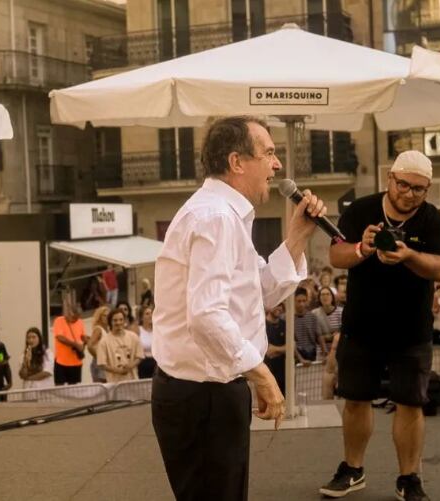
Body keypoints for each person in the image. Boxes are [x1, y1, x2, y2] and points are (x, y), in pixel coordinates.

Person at [151, 115, 325, 501]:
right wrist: (261, 374)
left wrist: (297, 236)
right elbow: (207, 315)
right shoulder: (215, 218)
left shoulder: (221, 214)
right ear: (236, 162)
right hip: (204, 396)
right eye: (269, 153)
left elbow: (253, 294)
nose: (277, 165)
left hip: (208, 391)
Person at [320, 150, 440, 501]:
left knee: (410, 404)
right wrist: (362, 248)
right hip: (361, 326)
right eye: (403, 185)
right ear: (389, 179)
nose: (409, 194)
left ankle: (408, 478)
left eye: (418, 189)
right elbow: (335, 256)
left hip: (411, 331)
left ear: (428, 189)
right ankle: (352, 469)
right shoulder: (360, 210)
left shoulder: (433, 220)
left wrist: (408, 256)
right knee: (355, 400)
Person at [96, 308, 144, 382]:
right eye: (115, 320)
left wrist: (130, 366)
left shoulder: (133, 336)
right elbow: (102, 364)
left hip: (133, 381)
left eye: (121, 319)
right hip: (114, 384)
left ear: (124, 321)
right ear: (110, 322)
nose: (118, 323)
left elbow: (140, 356)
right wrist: (118, 370)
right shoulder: (104, 342)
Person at [53, 302, 86, 386]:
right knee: (59, 387)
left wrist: (86, 342)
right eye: (73, 317)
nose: (75, 320)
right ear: (68, 312)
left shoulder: (80, 322)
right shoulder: (59, 320)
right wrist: (75, 345)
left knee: (74, 389)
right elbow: (60, 337)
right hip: (61, 361)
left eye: (77, 318)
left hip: (76, 362)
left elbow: (82, 336)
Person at [294, 287, 327, 362]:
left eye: (304, 301)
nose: (301, 304)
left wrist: (325, 353)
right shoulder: (288, 318)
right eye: (299, 301)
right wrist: (300, 359)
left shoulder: (312, 317)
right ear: (294, 301)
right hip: (296, 356)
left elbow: (319, 336)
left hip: (311, 353)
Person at [264, 304, 287, 395]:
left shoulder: (284, 324)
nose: (279, 308)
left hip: (284, 371)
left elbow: (292, 346)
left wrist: (276, 349)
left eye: (281, 305)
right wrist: (284, 349)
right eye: (276, 305)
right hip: (268, 370)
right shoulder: (263, 325)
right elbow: (268, 351)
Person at [312, 286, 343, 353]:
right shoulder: (314, 313)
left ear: (332, 297)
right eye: (322, 294)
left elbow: (343, 333)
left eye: (328, 294)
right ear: (319, 298)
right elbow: (314, 336)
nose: (325, 297)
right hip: (321, 352)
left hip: (338, 350)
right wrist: (330, 337)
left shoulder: (340, 312)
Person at [87, 305, 110, 383]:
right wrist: (98, 356)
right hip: (99, 363)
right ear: (100, 317)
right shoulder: (98, 329)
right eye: (104, 315)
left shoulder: (108, 330)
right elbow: (90, 345)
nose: (106, 317)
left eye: (108, 316)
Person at [137, 305, 157, 379]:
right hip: (143, 364)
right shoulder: (138, 330)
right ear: (141, 317)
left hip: (156, 364)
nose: (150, 315)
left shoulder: (157, 331)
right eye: (147, 314)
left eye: (151, 313)